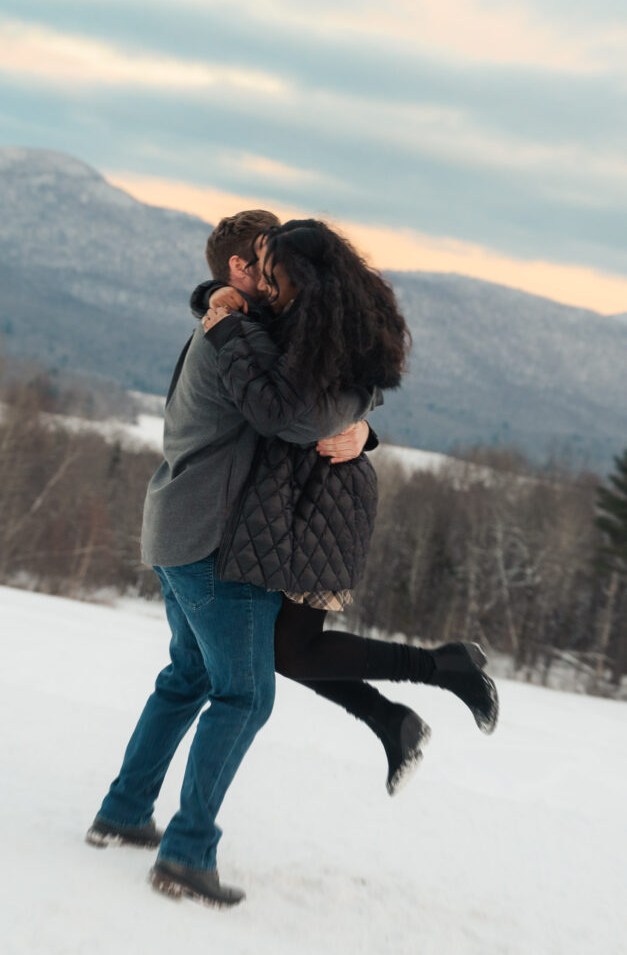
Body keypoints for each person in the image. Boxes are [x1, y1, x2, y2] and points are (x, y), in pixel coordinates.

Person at [85, 210, 377, 909]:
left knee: (187, 675)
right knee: (243, 695)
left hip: (178, 529)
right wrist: (354, 420)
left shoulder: (232, 326)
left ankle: (123, 812)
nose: (278, 274)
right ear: (240, 273)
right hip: (214, 545)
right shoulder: (231, 335)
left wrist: (362, 432)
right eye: (266, 263)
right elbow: (300, 415)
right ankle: (185, 856)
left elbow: (310, 398)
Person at [201, 219, 499, 791]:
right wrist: (215, 299)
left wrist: (224, 329)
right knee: (288, 649)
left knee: (293, 651)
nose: (266, 285)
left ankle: (440, 671)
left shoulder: (322, 339)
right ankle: (396, 716)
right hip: (306, 492)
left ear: (304, 280)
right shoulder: (311, 320)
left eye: (273, 276)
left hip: (321, 499)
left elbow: (276, 412)